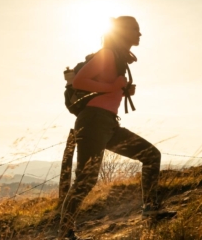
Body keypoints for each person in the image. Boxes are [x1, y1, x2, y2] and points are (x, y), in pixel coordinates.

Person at [59, 16, 173, 240]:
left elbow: (106, 89)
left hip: (108, 124)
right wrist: (112, 86)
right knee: (86, 180)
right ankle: (64, 233)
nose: (140, 34)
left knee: (151, 155)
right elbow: (80, 81)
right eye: (136, 30)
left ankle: (150, 210)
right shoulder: (108, 53)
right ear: (123, 32)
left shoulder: (118, 58)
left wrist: (123, 91)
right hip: (93, 122)